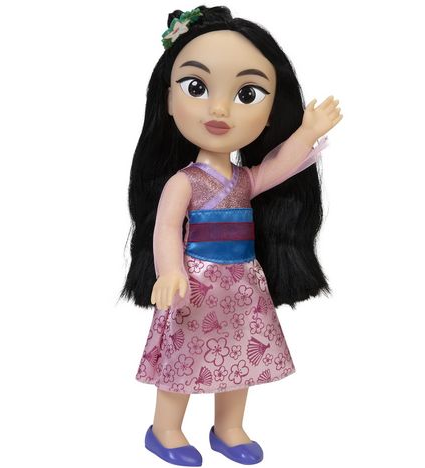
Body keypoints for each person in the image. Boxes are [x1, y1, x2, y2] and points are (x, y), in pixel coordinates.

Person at [120, 5, 343, 466]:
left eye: (246, 94)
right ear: (169, 100)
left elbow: (278, 168)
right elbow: (166, 227)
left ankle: (228, 427)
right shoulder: (184, 181)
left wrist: (307, 132)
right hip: (194, 284)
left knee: (240, 355)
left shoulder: (244, 179)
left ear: (269, 112)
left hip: (242, 285)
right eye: (197, 88)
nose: (219, 109)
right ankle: (165, 429)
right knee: (182, 359)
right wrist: (170, 271)